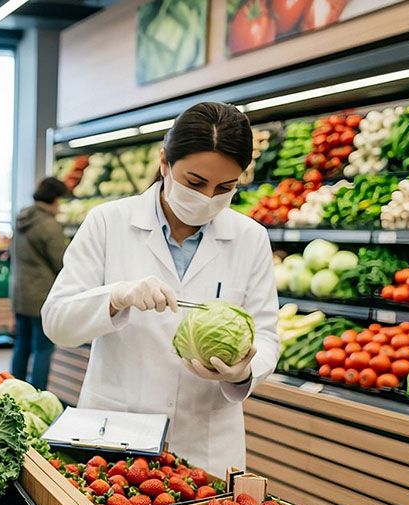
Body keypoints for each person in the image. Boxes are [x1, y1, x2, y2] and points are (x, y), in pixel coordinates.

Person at [41, 102, 279, 476]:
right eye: (195, 182)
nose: (208, 198)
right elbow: (56, 322)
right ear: (165, 162)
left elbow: (266, 332)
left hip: (206, 444)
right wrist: (116, 297)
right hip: (115, 435)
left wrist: (243, 373)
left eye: (225, 187)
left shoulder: (250, 238)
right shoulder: (108, 222)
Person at [10, 177, 69, 389]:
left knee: (22, 344)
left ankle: (13, 389)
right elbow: (62, 263)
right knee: (44, 348)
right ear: (54, 199)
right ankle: (37, 393)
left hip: (19, 293)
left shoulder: (21, 219)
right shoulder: (49, 225)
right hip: (41, 296)